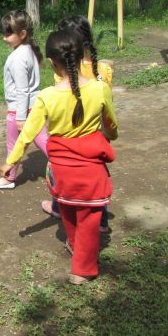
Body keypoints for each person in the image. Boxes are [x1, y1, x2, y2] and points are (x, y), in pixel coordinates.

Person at [0, 30, 118, 285]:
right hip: (91, 172)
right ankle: (82, 269)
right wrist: (111, 134)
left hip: (61, 171)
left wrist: (11, 161)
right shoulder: (100, 89)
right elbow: (111, 124)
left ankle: (75, 245)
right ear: (82, 56)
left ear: (53, 63)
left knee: (69, 211)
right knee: (89, 219)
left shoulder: (46, 96)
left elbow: (28, 133)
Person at [41, 15, 113, 233]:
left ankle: (58, 207)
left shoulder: (63, 73)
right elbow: (106, 101)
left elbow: (63, 98)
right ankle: (101, 221)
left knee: (60, 174)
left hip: (68, 138)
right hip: (97, 133)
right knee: (97, 177)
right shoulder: (103, 69)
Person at [0, 10, 49, 190]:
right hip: (32, 107)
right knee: (43, 140)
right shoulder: (28, 50)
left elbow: (22, 90)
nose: (4, 38)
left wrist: (20, 117)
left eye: (8, 34)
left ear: (22, 34)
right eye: (3, 34)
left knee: (14, 145)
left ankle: (8, 178)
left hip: (20, 110)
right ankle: (68, 163)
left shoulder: (18, 58)